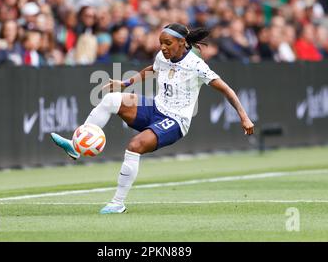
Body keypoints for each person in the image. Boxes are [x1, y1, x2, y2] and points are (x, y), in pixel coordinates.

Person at [51, 23, 255, 214]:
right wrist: (125, 82)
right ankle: (76, 146)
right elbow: (152, 69)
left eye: (168, 43)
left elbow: (226, 89)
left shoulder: (197, 65)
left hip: (176, 121)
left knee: (135, 145)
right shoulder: (162, 57)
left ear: (182, 43)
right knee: (111, 99)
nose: (163, 47)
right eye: (161, 43)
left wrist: (244, 117)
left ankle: (117, 203)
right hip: (156, 107)